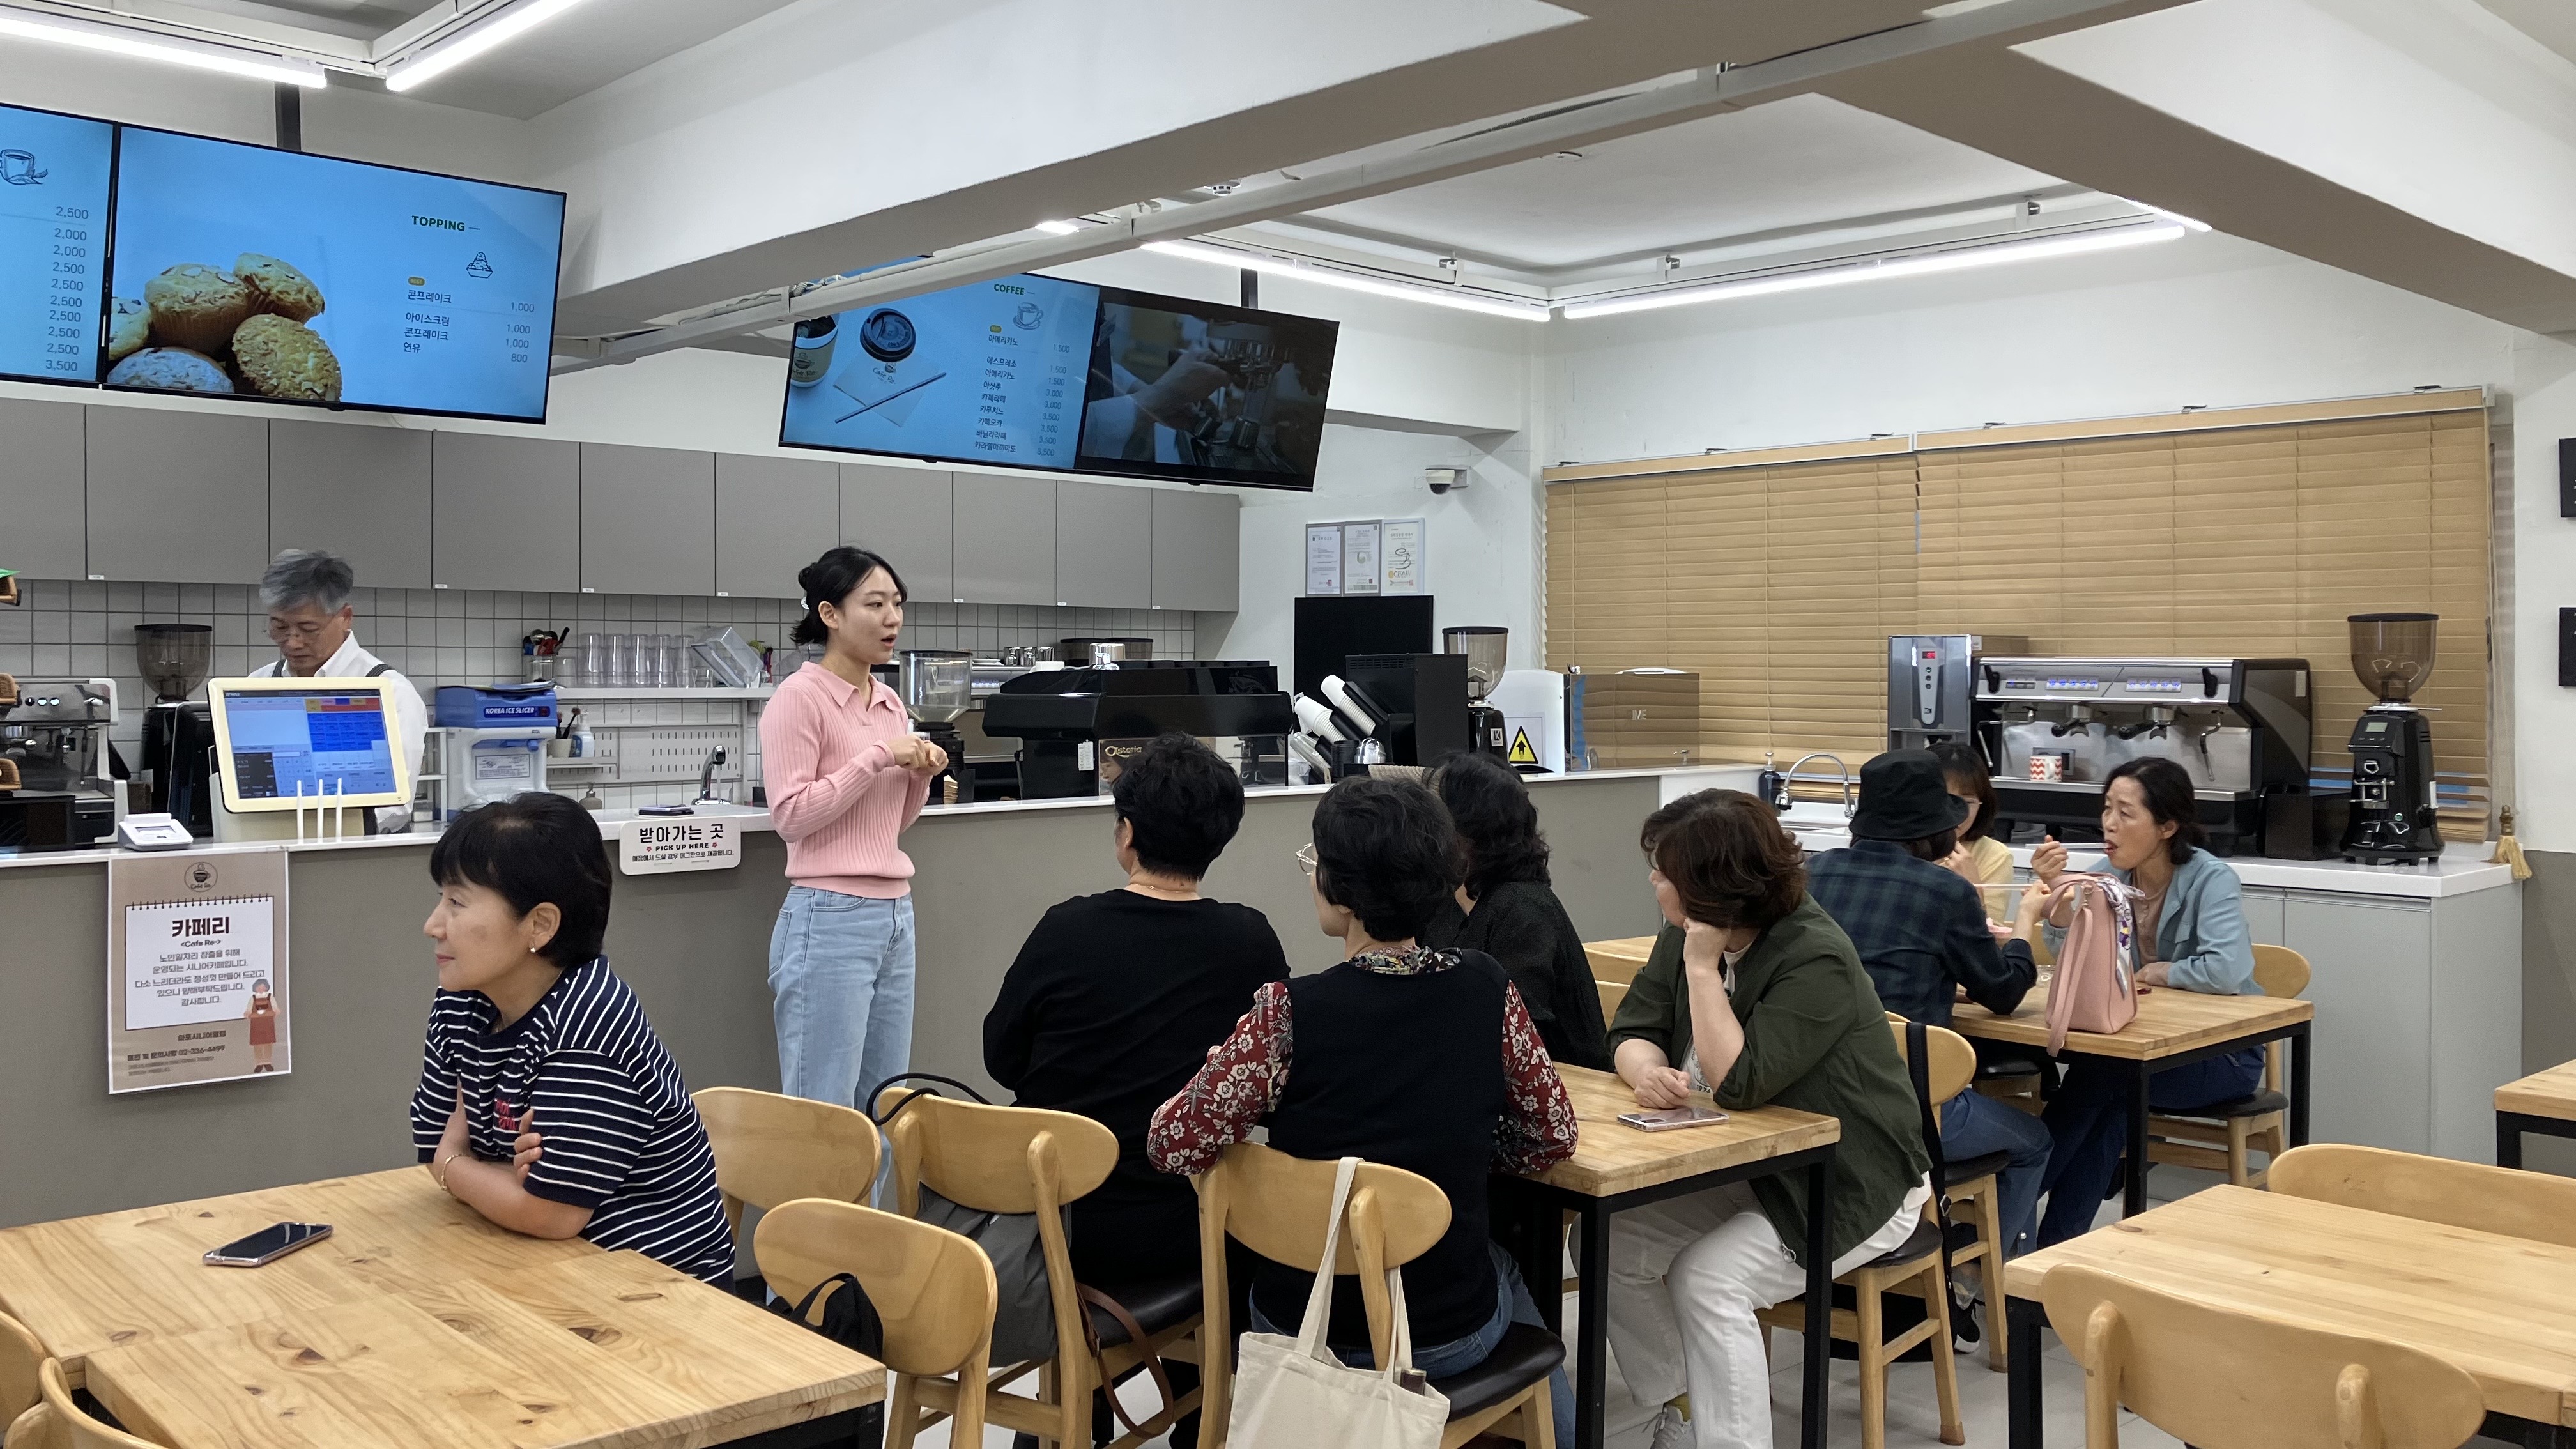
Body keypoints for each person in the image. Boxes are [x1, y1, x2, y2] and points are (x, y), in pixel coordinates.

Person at [1147, 777, 1578, 1446]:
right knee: (1501, 1267)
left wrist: (1228, 1079)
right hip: (1444, 1334)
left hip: (1303, 1327)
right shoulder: (1489, 987)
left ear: (1340, 892)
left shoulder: (1286, 1012)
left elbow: (1171, 1143)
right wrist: (1457, 1149)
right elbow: (1552, 1135)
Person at [985, 733, 1287, 1449]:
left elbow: (1003, 1058)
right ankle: (1201, 1416)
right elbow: (1266, 1089)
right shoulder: (1250, 941)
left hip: (1062, 1226)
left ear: (1126, 835)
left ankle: (1071, 1416)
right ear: (1219, 841)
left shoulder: (1065, 929)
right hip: (1189, 1223)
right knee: (1248, 1226)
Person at [1606, 789, 1931, 1449]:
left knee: (1709, 1279)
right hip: (1749, 1164)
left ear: (1711, 891)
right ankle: (1684, 1409)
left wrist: (1703, 969)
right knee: (1610, 1241)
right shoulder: (1686, 936)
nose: (1654, 883)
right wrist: (1645, 1072)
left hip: (1849, 1179)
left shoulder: (1814, 954)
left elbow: (1740, 1084)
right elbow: (1631, 1028)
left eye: (1665, 874)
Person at [411, 792, 733, 1284]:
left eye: (456, 902)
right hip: (535, 1263)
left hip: (654, 1291)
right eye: (441, 898)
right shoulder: (462, 1002)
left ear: (539, 924)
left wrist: (456, 1163)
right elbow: (430, 1143)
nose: (432, 925)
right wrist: (484, 1173)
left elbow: (551, 1214)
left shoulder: (589, 1023)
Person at [1806, 749, 2055, 1269]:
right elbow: (2004, 993)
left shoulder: (1812, 875)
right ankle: (1979, 1278)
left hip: (1810, 1098)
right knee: (2034, 1140)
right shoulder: (1944, 891)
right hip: (1906, 1110)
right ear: (1937, 830)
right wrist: (2025, 925)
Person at [2030, 756, 2260, 1246]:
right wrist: (2060, 903)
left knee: (2104, 1079)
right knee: (2112, 1088)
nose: (2109, 824)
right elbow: (2071, 960)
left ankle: (2015, 1206)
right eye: (2106, 808)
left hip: (2220, 1056)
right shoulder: (2107, 878)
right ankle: (2050, 1247)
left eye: (2125, 812)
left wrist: (2160, 971)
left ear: (2167, 826)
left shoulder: (2211, 878)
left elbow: (2227, 970)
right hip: (2137, 1049)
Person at [758, 546, 947, 1114]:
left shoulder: (889, 703)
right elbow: (791, 816)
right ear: (830, 614)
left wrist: (921, 777)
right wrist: (877, 758)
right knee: (823, 1111)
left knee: (887, 1103)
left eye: (898, 604)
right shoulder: (799, 698)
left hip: (895, 915)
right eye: (875, 604)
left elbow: (891, 825)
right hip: (828, 915)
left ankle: (875, 1184)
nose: (893, 619)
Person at [1421, 750, 1611, 1069]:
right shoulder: (1445, 901)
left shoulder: (1523, 908)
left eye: (1433, 816)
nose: (1422, 829)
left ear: (1469, 830)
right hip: (1477, 1074)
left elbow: (1512, 1036)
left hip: (1563, 1084)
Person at [249, 549, 425, 834]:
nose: (292, 643)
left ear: (345, 617)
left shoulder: (389, 691)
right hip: (265, 840)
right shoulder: (258, 685)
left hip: (357, 850)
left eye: (308, 629)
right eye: (279, 627)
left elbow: (395, 805)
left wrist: (316, 832)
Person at [1929, 740, 2014, 924]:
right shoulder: (1895, 845)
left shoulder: (1994, 855)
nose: (1955, 813)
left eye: (1967, 803)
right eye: (1944, 799)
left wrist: (1973, 888)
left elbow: (1992, 937)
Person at [244, 979, 277, 1073]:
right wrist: (248, 1014)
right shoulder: (253, 998)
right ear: (255, 988)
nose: (261, 989)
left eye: (263, 987)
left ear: (266, 987)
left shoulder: (270, 997)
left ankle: (268, 1063)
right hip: (256, 1024)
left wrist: (272, 1014)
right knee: (257, 1044)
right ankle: (259, 1064)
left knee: (268, 1043)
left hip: (268, 1024)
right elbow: (248, 1010)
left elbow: (275, 1009)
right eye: (259, 987)